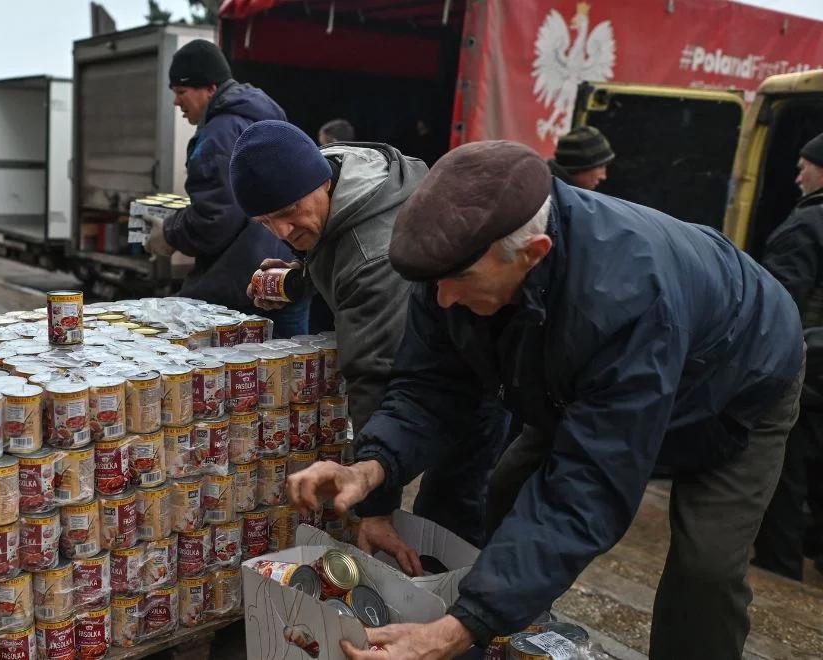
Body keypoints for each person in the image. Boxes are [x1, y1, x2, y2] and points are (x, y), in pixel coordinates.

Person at [290, 141, 803, 659]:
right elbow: (430, 387)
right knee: (508, 489)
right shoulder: (453, 262)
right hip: (579, 375)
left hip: (736, 386)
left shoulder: (621, 303)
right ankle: (516, 630)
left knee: (705, 568)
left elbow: (589, 487)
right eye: (434, 284)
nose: (443, 300)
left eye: (458, 282)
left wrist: (457, 628)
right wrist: (373, 467)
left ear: (534, 254)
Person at [230, 121, 509, 548]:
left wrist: (375, 509)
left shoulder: (373, 255)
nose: (282, 233)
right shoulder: (349, 172)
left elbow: (376, 377)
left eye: (288, 213)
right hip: (448, 353)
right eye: (265, 222)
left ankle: (467, 609)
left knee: (450, 513)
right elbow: (336, 253)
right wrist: (296, 278)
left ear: (322, 182)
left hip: (476, 370)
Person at [143, 39, 308, 336]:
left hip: (243, 285)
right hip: (284, 273)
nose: (176, 102)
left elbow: (214, 219)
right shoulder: (261, 117)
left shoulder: (219, 134)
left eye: (181, 92)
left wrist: (169, 233)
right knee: (287, 371)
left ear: (210, 88)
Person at [753, 133, 823, 581]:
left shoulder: (806, 225)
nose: (797, 174)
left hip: (810, 372)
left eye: (805, 165)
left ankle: (779, 574)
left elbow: (780, 306)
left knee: (786, 476)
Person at [547, 126, 614, 190]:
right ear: (578, 167)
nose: (603, 176)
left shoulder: (555, 190)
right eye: (601, 166)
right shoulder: (547, 194)